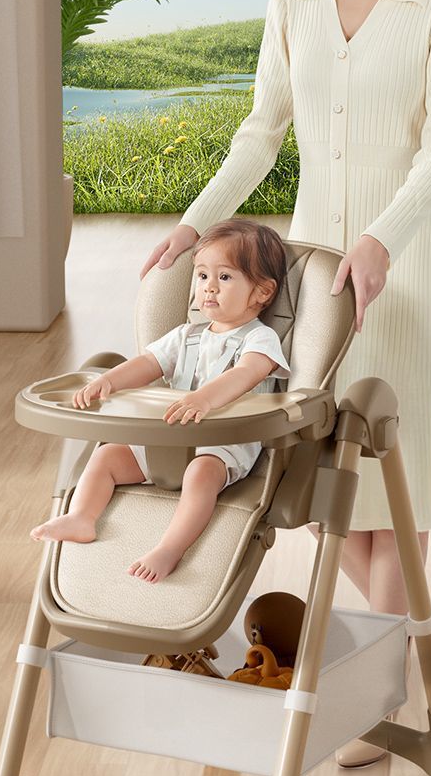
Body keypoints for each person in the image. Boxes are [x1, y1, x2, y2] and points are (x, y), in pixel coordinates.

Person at [140, 0, 431, 761]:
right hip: (313, 270)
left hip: (399, 270)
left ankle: (374, 693)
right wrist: (195, 222)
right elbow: (262, 131)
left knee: (390, 487)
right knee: (332, 480)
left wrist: (380, 239)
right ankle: (373, 659)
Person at [31, 219, 290, 582]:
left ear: (262, 292)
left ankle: (170, 548)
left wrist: (204, 399)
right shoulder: (186, 335)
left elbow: (247, 372)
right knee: (107, 456)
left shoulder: (260, 339)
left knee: (200, 475)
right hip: (167, 439)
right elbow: (147, 363)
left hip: (222, 446)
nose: (209, 287)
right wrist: (108, 381)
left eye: (225, 277)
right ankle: (81, 517)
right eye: (202, 276)